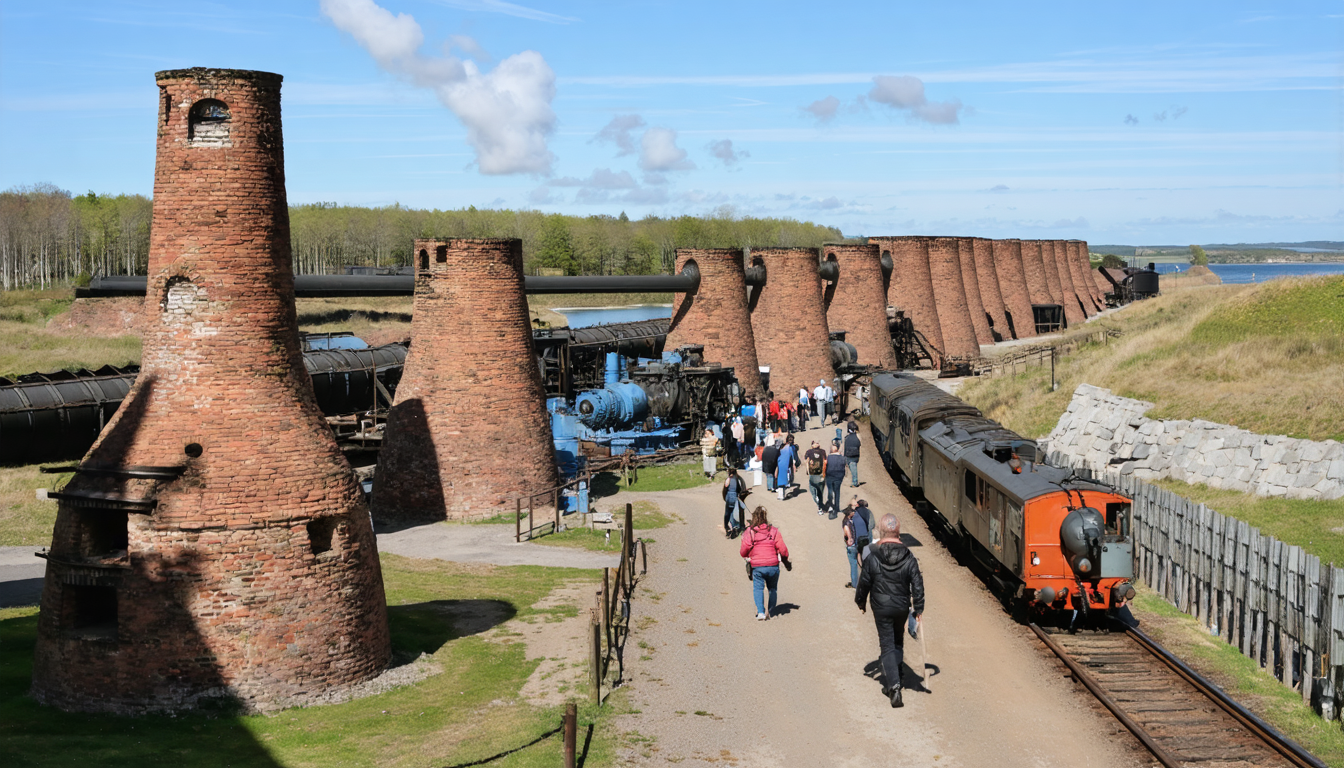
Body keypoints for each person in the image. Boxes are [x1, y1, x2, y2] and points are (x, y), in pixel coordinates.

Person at [854, 514, 925, 709]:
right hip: (901, 606)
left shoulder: (873, 556)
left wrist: (861, 602)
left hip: (881, 607)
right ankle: (898, 676)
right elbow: (917, 584)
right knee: (897, 641)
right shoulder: (909, 556)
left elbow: (864, 582)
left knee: (887, 645)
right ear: (898, 532)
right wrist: (918, 607)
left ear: (881, 532)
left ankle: (894, 688)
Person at [740, 506, 791, 620]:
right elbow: (782, 549)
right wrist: (785, 559)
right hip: (773, 565)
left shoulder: (750, 532)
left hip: (757, 566)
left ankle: (761, 612)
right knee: (772, 588)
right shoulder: (773, 531)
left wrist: (746, 555)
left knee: (758, 588)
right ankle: (772, 611)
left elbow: (744, 549)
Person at [843, 498, 874, 587]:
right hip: (865, 540)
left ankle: (855, 583)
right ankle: (869, 581)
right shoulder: (868, 513)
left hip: (854, 543)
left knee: (853, 563)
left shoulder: (851, 517)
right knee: (865, 561)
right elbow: (872, 525)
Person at [804, 440, 827, 514]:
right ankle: (820, 505)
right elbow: (824, 462)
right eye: (816, 443)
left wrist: (807, 470)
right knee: (818, 491)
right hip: (817, 474)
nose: (818, 444)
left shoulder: (810, 452)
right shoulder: (821, 451)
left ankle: (819, 504)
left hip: (815, 473)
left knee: (815, 491)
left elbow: (807, 461)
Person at [722, 466, 746, 538]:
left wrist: (725, 498)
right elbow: (742, 489)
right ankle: (739, 526)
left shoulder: (728, 479)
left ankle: (727, 527)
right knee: (736, 512)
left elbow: (724, 490)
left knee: (728, 513)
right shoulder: (739, 479)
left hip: (729, 498)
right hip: (737, 497)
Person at [824, 444, 846, 517]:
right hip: (838, 478)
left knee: (830, 491)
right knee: (837, 492)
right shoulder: (842, 458)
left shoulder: (828, 457)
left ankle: (830, 504)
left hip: (830, 476)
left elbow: (825, 466)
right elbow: (844, 467)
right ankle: (837, 507)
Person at [774, 434, 799, 500]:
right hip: (786, 465)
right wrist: (794, 466)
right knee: (785, 480)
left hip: (780, 464)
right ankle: (782, 495)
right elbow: (793, 458)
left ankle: (780, 495)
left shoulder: (782, 447)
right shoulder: (790, 448)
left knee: (780, 480)